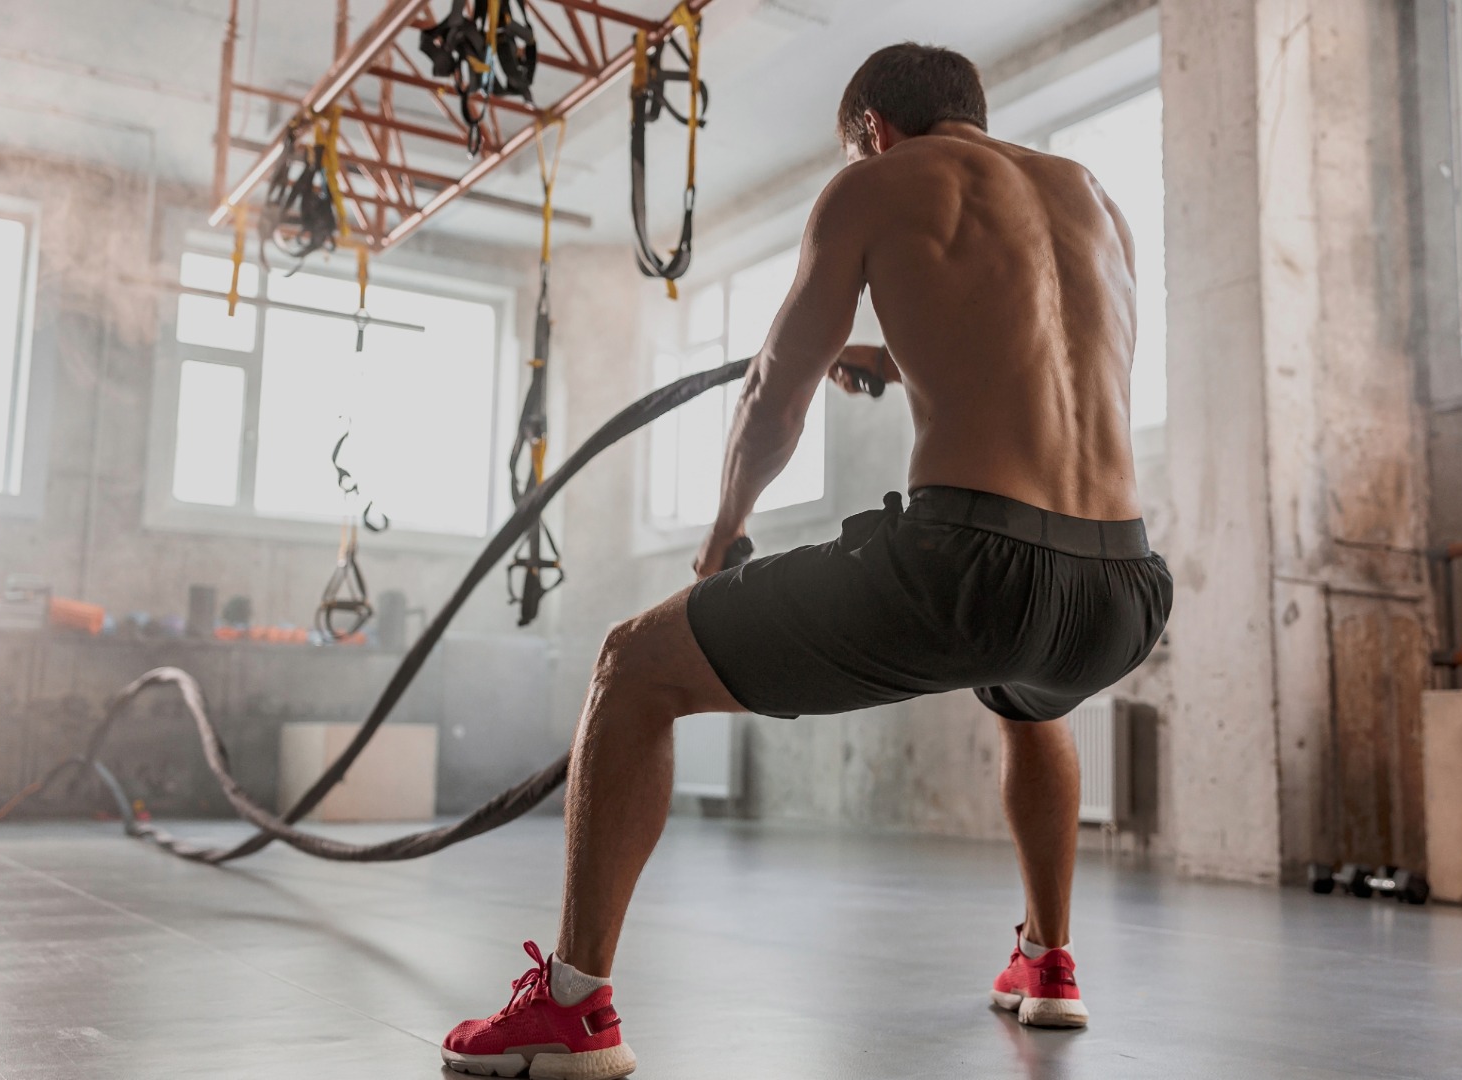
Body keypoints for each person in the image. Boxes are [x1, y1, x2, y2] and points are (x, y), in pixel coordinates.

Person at [441, 42, 1172, 1079]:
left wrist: (718, 539)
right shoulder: (1089, 196)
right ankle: (1049, 964)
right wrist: (878, 354)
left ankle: (572, 1010)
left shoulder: (871, 185)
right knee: (1035, 701)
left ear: (871, 127)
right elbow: (1043, 376)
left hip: (967, 569)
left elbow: (771, 403)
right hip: (1123, 592)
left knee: (632, 668)